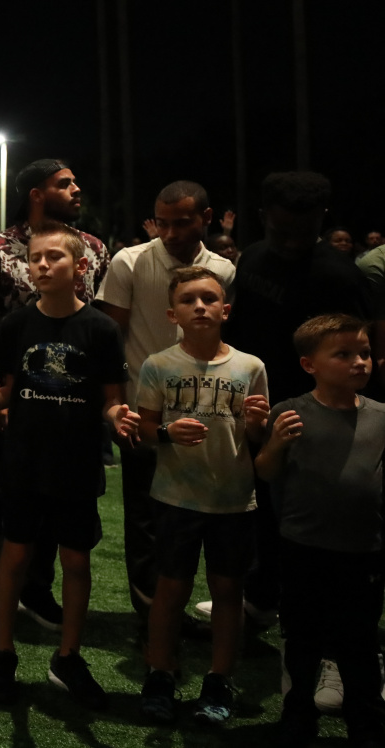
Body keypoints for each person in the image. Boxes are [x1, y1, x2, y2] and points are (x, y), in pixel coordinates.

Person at [0, 221, 138, 710]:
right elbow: (11, 393)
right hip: (25, 462)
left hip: (76, 463)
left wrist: (118, 416)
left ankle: (68, 657)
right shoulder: (15, 325)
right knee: (14, 556)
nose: (44, 265)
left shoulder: (100, 328)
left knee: (75, 561)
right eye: (36, 258)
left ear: (80, 266)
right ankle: (3, 654)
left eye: (55, 257)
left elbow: (110, 399)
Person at [0, 158, 111, 656]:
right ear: (36, 194)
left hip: (70, 407)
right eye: (63, 184)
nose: (76, 189)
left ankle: (37, 592)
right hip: (14, 396)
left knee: (57, 499)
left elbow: (95, 324)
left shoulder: (92, 248)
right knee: (3, 500)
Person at [223, 171, 374, 626]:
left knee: (310, 516)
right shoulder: (252, 258)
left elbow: (357, 357)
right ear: (263, 216)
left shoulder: (341, 278)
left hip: (316, 413)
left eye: (303, 231)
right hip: (255, 406)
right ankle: (262, 598)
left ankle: (319, 620)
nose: (291, 242)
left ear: (322, 219)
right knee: (260, 510)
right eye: (280, 230)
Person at [134, 267, 269, 726]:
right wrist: (167, 433)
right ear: (172, 314)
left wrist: (259, 424)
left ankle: (219, 679)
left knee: (228, 591)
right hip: (175, 496)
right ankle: (160, 673)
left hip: (233, 497)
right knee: (170, 588)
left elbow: (255, 436)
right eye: (188, 300)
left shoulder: (251, 367)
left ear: (225, 310)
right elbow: (145, 430)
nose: (200, 307)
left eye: (209, 299)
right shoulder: (158, 365)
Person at [96, 181, 237, 618]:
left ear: (206, 219)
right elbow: (111, 341)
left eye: (182, 223)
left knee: (200, 519)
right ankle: (151, 618)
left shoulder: (224, 270)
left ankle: (178, 612)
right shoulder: (130, 260)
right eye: (162, 223)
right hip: (144, 413)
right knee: (144, 522)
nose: (170, 233)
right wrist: (115, 406)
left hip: (206, 413)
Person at [254, 314, 385, 748]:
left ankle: (366, 723)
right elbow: (266, 471)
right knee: (302, 638)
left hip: (363, 550)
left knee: (359, 642)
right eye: (343, 354)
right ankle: (298, 716)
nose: (359, 362)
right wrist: (276, 443)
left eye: (364, 353)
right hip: (303, 546)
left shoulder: (381, 417)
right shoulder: (290, 412)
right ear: (309, 365)